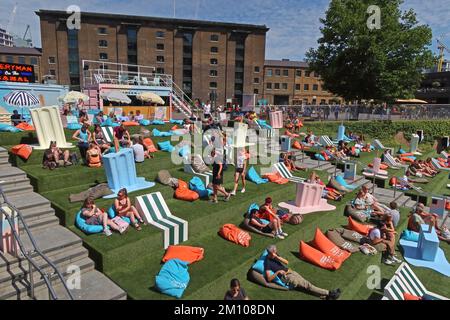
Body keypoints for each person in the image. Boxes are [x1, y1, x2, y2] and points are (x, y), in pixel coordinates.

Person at [264, 245, 341, 299]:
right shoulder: (267, 263)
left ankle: (326, 296)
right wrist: (277, 272)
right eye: (275, 251)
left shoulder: (275, 256)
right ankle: (330, 293)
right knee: (308, 285)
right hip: (286, 277)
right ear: (270, 253)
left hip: (291, 272)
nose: (276, 252)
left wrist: (277, 257)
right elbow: (269, 279)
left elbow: (286, 262)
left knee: (306, 284)